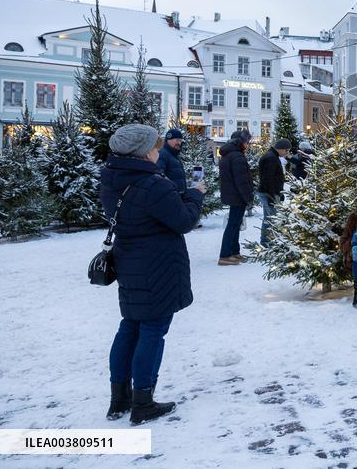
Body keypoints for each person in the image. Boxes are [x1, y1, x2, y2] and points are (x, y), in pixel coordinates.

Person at [101, 124, 204, 425]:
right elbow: (183, 220)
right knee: (153, 329)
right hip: (157, 264)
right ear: (145, 152)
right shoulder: (152, 184)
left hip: (129, 260)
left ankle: (119, 398)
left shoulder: (112, 179)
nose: (159, 152)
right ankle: (143, 401)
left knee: (130, 326)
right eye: (155, 147)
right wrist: (196, 195)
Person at [218, 131, 254, 265]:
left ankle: (234, 252)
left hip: (233, 194)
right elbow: (242, 181)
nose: (247, 144)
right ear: (240, 142)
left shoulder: (229, 155)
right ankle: (225, 255)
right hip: (237, 196)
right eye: (246, 142)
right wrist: (248, 197)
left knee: (235, 224)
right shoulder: (237, 156)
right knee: (233, 225)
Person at [256, 138, 291, 245]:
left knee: (271, 217)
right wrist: (271, 196)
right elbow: (268, 178)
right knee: (270, 218)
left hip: (271, 192)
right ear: (281, 149)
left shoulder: (272, 156)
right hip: (269, 193)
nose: (287, 153)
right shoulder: (271, 158)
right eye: (286, 150)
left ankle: (269, 240)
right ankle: (266, 242)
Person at [156, 128, 186, 194]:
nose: (179, 143)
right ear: (168, 140)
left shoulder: (174, 155)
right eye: (177, 140)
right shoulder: (163, 154)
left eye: (180, 141)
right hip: (169, 196)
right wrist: (172, 190)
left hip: (176, 196)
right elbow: (159, 175)